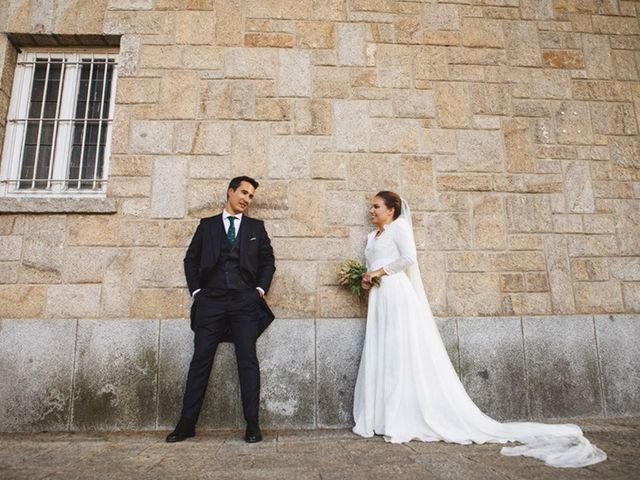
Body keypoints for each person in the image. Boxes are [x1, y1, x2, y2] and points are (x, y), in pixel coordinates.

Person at [352, 190, 606, 468]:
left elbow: (408, 259)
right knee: (383, 352)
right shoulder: (371, 237)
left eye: (376, 206)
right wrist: (366, 279)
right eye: (371, 207)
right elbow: (373, 265)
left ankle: (401, 414)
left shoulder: (399, 228)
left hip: (397, 296)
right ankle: (380, 415)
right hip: (380, 298)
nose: (372, 211)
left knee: (399, 352)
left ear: (391, 210)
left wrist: (379, 273)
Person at [167, 176, 276, 444]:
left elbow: (268, 261)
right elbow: (190, 260)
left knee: (247, 361)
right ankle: (186, 424)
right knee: (200, 360)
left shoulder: (256, 227)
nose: (246, 199)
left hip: (244, 302)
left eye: (251, 196)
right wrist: (197, 293)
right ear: (230, 191)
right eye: (243, 193)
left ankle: (252, 424)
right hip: (211, 301)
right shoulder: (207, 226)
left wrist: (259, 290)